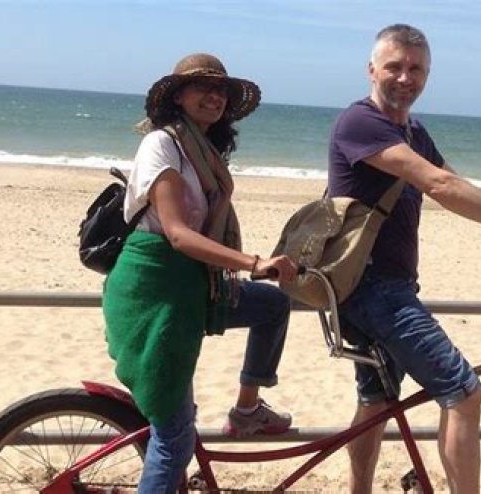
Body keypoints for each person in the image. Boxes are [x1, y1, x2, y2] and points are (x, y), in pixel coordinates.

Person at [327, 25, 481, 493]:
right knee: (464, 394)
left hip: (387, 286)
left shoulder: (413, 131)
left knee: (376, 402)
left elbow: (457, 183)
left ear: (428, 75)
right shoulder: (360, 123)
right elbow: (439, 186)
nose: (405, 77)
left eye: (416, 69)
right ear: (371, 69)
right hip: (373, 289)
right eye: (394, 66)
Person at [102, 53, 298, 491]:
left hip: (194, 285)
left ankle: (247, 409)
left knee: (273, 305)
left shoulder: (203, 149)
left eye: (221, 90)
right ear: (178, 96)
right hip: (155, 289)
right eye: (202, 87)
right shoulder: (162, 144)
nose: (214, 96)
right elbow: (177, 234)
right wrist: (253, 263)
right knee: (174, 437)